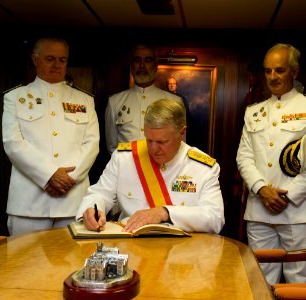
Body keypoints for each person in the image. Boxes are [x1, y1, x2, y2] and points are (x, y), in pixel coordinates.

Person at [236, 43, 306, 285]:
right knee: (260, 281)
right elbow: (244, 157)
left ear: (295, 71)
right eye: (268, 71)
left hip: (297, 212)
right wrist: (262, 189)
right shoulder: (253, 112)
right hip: (259, 211)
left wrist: (284, 197)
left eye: (279, 70)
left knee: (297, 283)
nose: (272, 77)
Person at [77, 98, 224, 234]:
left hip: (180, 253)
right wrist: (92, 209)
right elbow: (100, 194)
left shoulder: (203, 167)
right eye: (149, 140)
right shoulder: (125, 158)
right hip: (130, 248)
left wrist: (165, 212)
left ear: (182, 132)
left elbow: (215, 218)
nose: (153, 149)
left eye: (161, 142)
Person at [2, 37, 100, 235]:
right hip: (29, 204)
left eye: (62, 60)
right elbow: (13, 143)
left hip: (72, 202)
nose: (57, 65)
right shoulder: (16, 98)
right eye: (50, 59)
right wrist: (49, 176)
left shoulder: (84, 100)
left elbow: (92, 144)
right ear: (35, 59)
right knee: (23, 265)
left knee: (72, 265)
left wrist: (67, 179)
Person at [105, 44, 183, 154]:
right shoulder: (115, 102)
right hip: (126, 169)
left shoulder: (174, 102)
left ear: (156, 66)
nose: (142, 65)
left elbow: (180, 145)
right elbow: (112, 147)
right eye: (137, 60)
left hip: (161, 169)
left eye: (148, 60)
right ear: (132, 66)